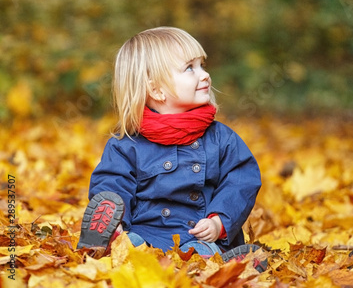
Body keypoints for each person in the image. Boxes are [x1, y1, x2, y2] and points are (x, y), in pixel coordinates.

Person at [77, 27, 266, 272]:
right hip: (144, 234)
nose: (205, 75)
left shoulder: (220, 138)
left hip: (198, 235)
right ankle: (111, 240)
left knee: (200, 256)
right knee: (130, 250)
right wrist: (118, 222)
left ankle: (224, 265)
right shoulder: (127, 144)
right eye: (190, 68)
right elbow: (113, 182)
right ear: (156, 90)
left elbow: (241, 181)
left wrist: (220, 221)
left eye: (202, 65)